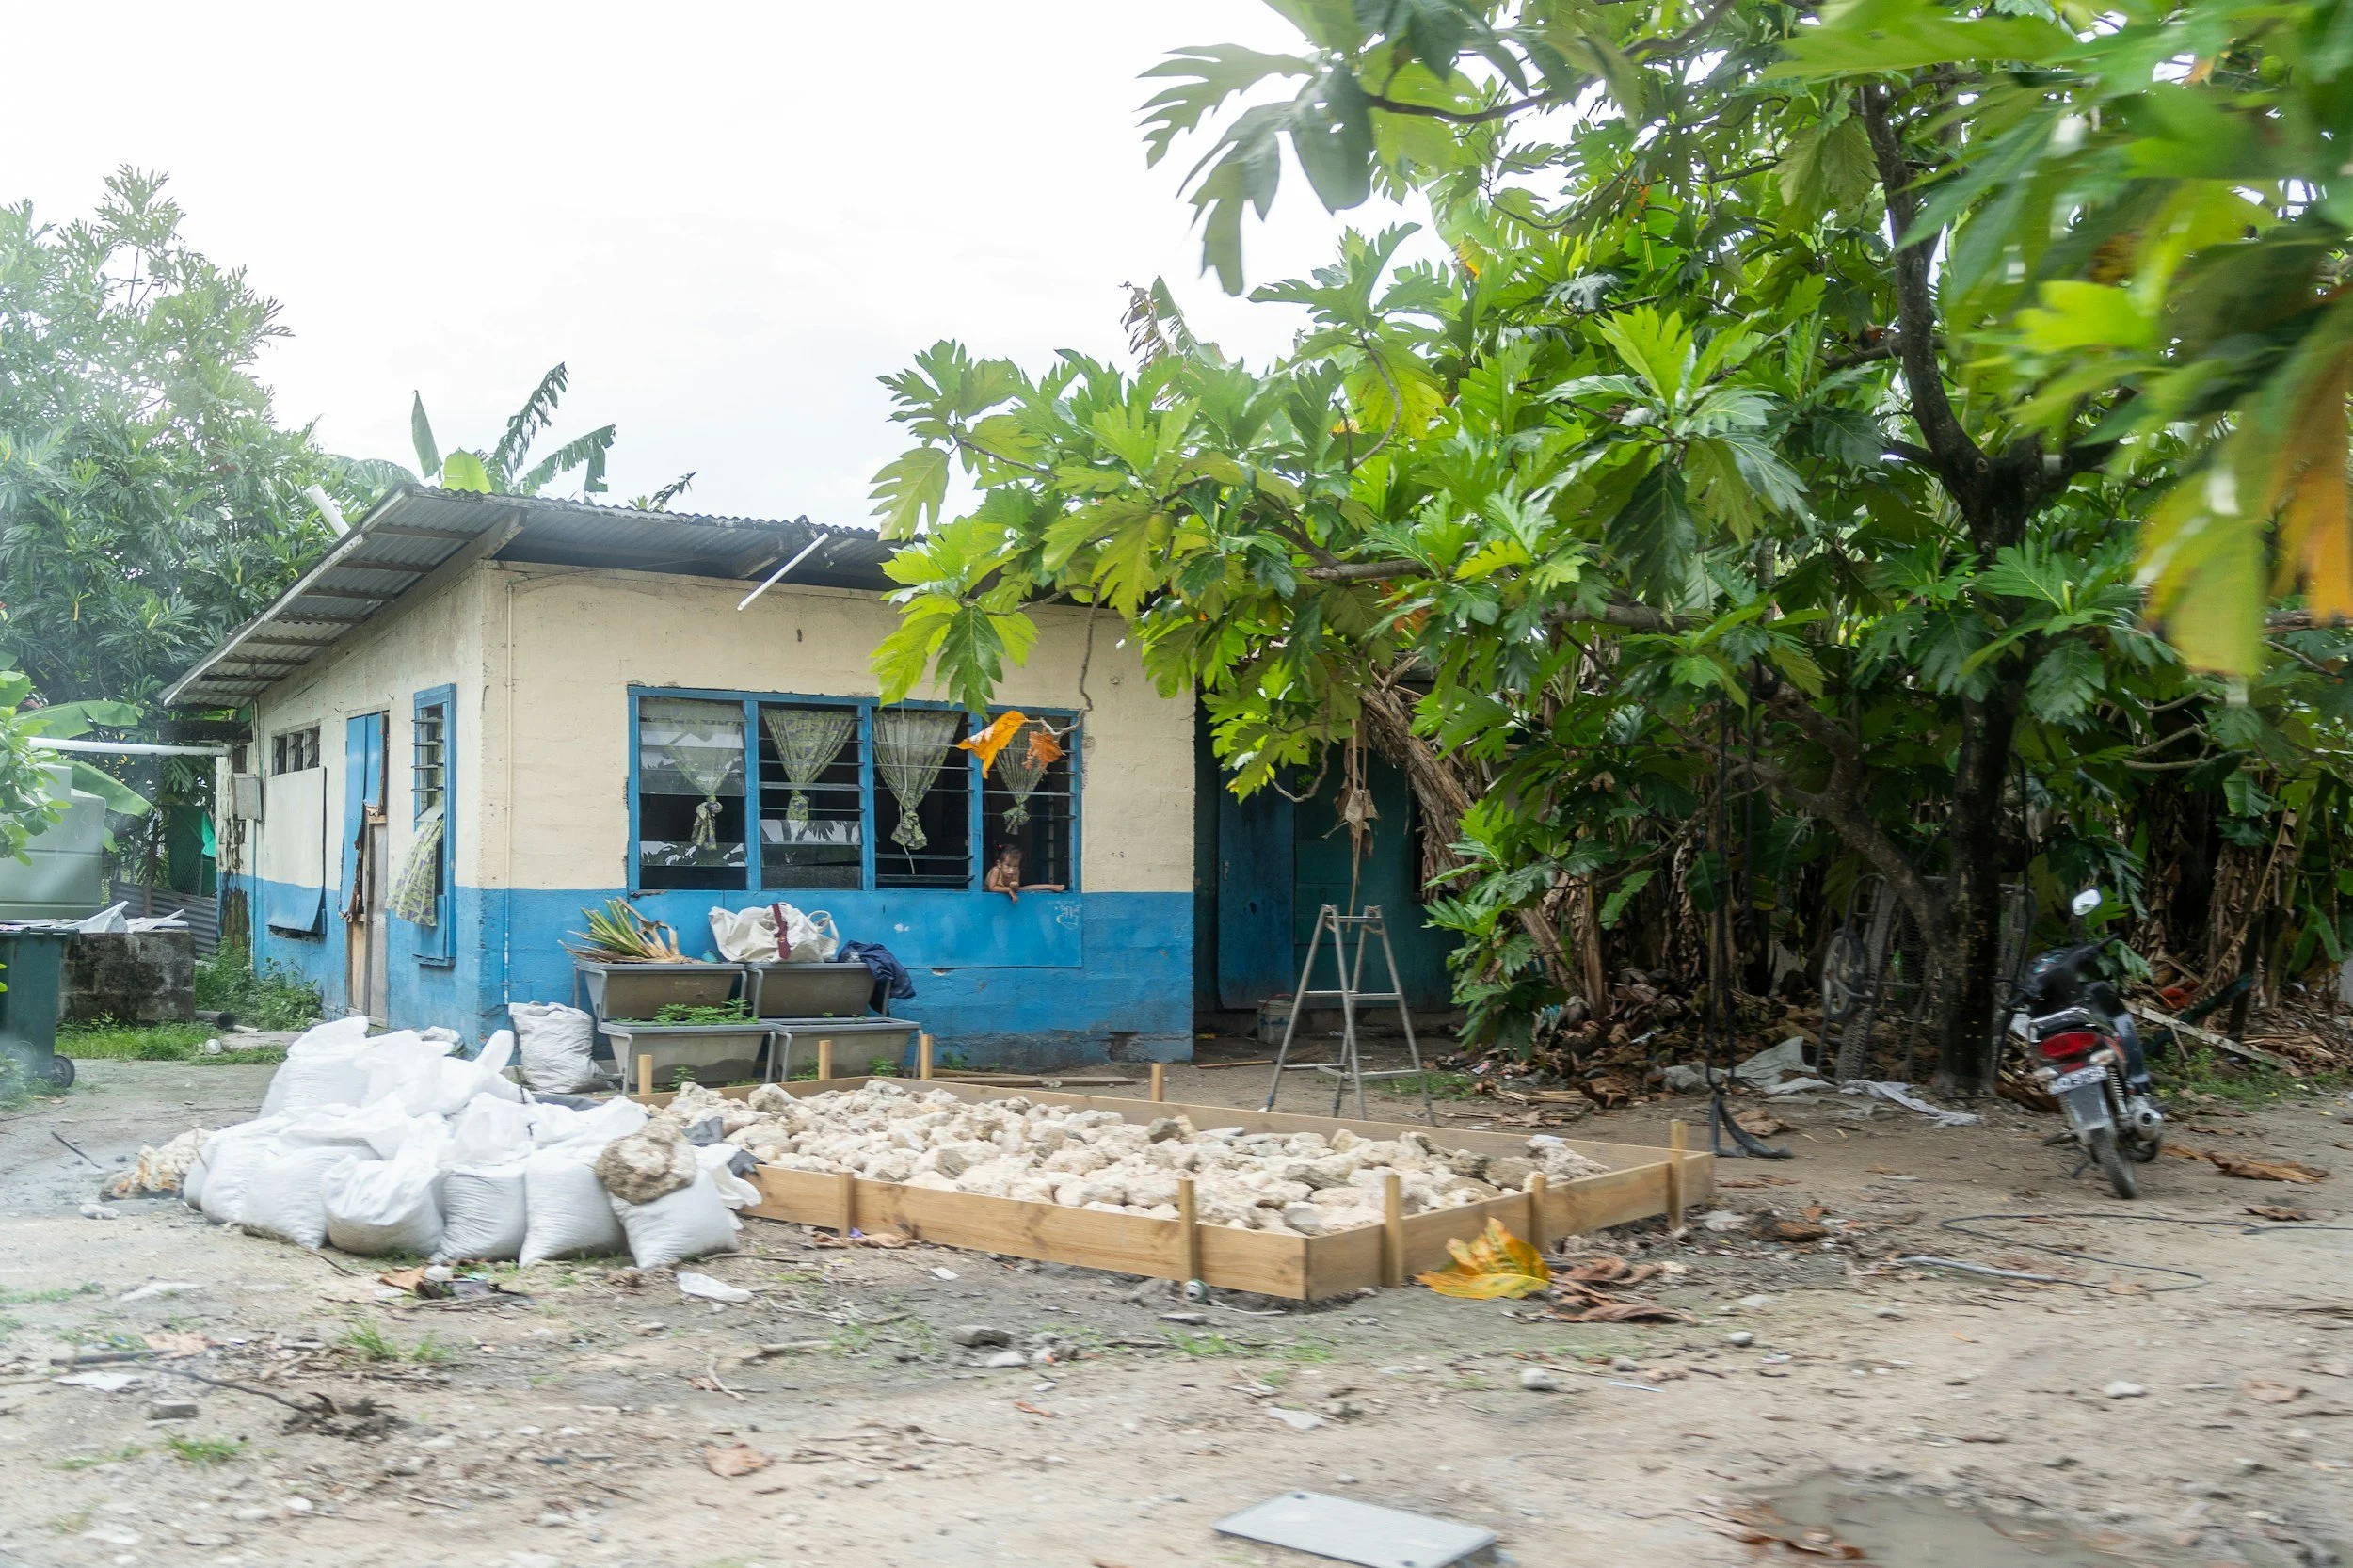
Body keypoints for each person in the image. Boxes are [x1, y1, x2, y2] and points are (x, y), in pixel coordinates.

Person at [984, 843, 1064, 902]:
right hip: (988, 890)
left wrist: (1013, 887)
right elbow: (992, 888)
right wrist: (1009, 889)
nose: (1011, 870)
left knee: (1026, 888)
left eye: (1015, 866)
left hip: (1008, 889)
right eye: (1008, 865)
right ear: (999, 864)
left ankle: (1051, 887)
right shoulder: (996, 870)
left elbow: (1017, 888)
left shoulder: (1017, 871)